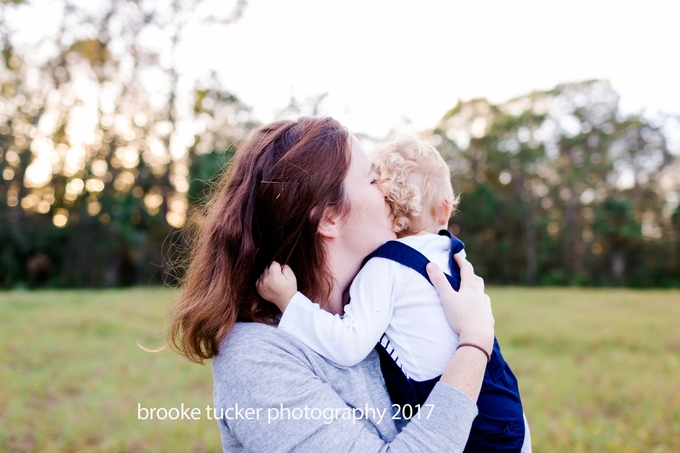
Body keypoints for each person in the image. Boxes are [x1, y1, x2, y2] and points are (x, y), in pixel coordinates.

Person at [168, 117, 495, 452]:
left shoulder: (377, 310)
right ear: (328, 218)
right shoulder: (255, 358)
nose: (390, 192)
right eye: (373, 180)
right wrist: (475, 343)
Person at [257, 136, 530, 453]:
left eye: (375, 181)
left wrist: (290, 303)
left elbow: (348, 345)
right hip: (507, 410)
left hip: (465, 426)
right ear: (444, 210)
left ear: (386, 203)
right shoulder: (451, 251)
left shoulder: (385, 267)